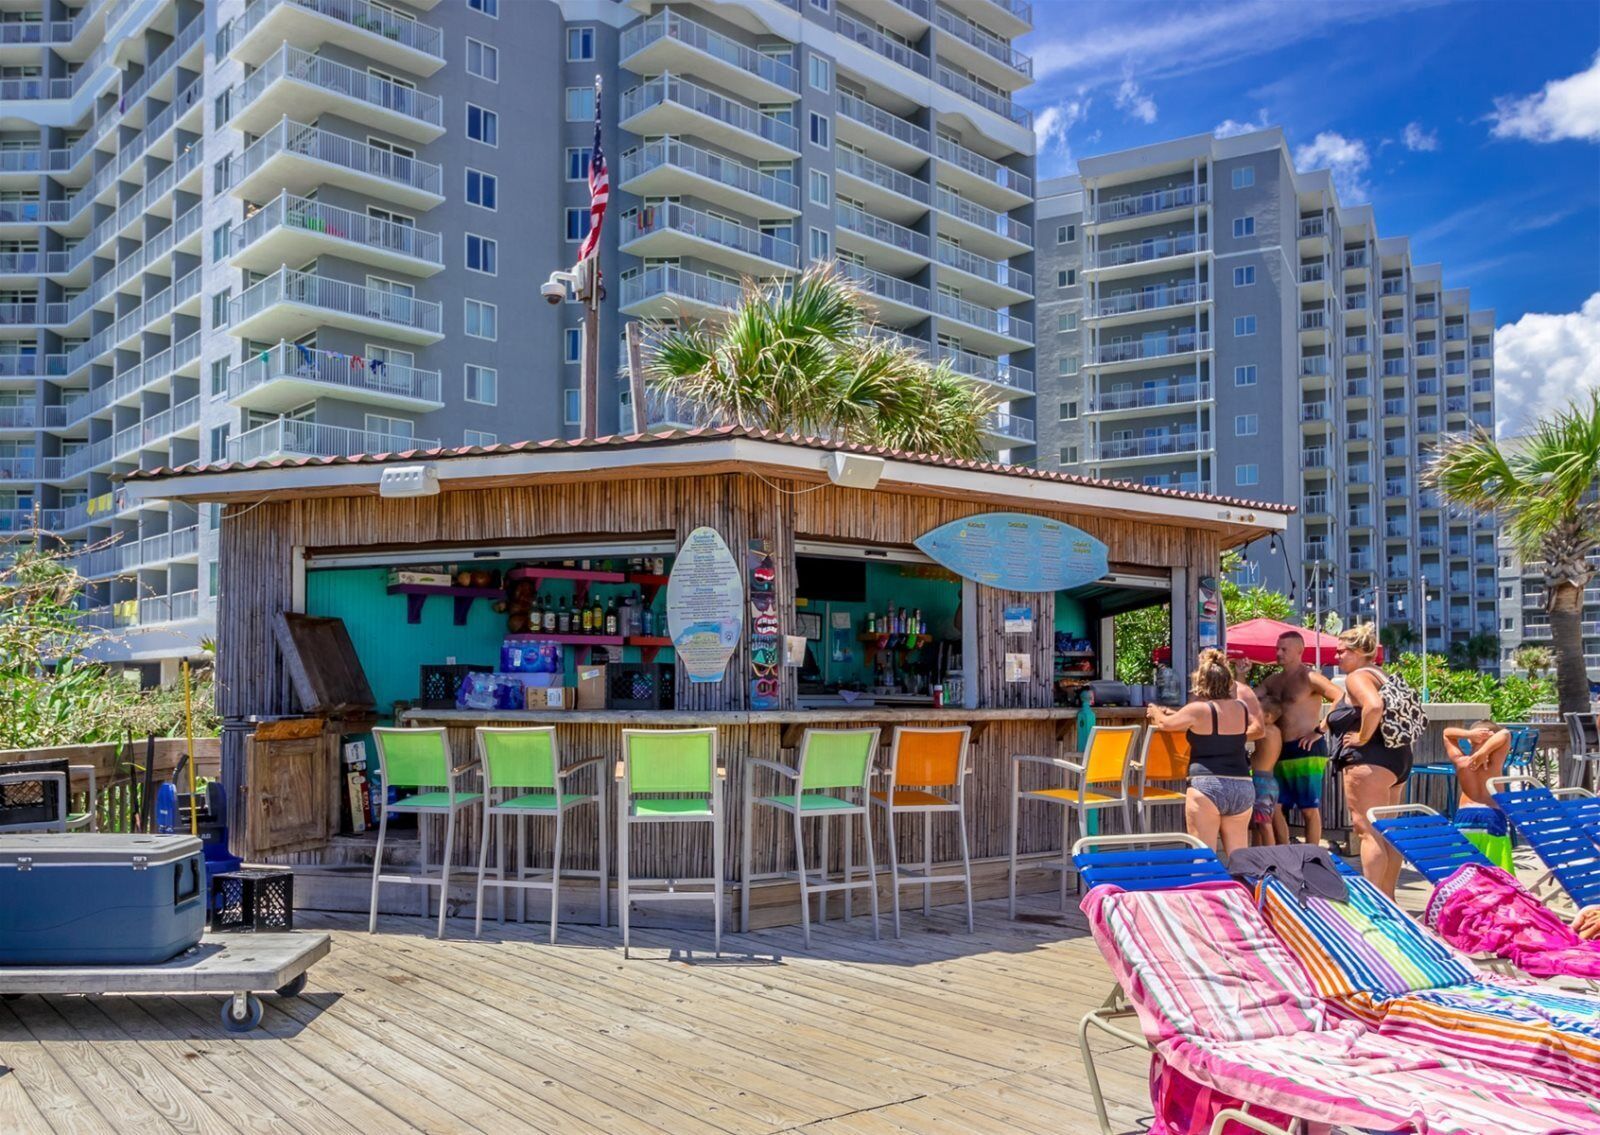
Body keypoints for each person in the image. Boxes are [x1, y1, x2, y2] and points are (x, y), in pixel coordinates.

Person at [1147, 648, 1263, 857]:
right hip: (1242, 786)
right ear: (1228, 682)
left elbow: (1165, 724)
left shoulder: (1198, 710)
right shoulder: (1241, 708)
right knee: (1240, 860)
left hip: (1207, 786)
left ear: (1201, 682)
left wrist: (1155, 711)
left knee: (1204, 859)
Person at [1328, 623, 1412, 896]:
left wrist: (1362, 738)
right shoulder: (1381, 674)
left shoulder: (1357, 677)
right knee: (1387, 831)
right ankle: (1389, 898)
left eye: (1342, 651)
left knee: (1367, 831)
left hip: (1370, 760)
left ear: (1358, 652)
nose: (1336, 657)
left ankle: (1375, 901)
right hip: (1397, 757)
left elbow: (1373, 706)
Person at [1258, 631, 1342, 848]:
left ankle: (1312, 854)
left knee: (1308, 809)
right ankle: (1285, 851)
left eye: (1284, 649)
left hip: (1307, 748)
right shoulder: (1273, 681)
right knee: (1274, 805)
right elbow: (1250, 696)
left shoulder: (1310, 677)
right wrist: (1239, 675)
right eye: (1277, 648)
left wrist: (1321, 730)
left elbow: (1340, 696)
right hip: (1279, 751)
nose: (1278, 653)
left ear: (1299, 651)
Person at [1442, 721, 1515, 871]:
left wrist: (1469, 734)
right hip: (1492, 816)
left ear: (1470, 741)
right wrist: (1484, 752)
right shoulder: (1494, 763)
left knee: (1463, 872)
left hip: (1465, 817)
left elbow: (1447, 734)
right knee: (1496, 872)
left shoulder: (1462, 762)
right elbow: (1506, 734)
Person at [1250, 696, 1284, 846]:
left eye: (1256, 712)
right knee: (1258, 823)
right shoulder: (1276, 731)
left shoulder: (1264, 730)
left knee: (1263, 822)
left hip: (1261, 781)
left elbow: (1239, 735)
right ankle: (1256, 852)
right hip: (1269, 780)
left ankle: (1271, 853)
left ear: (1268, 716)